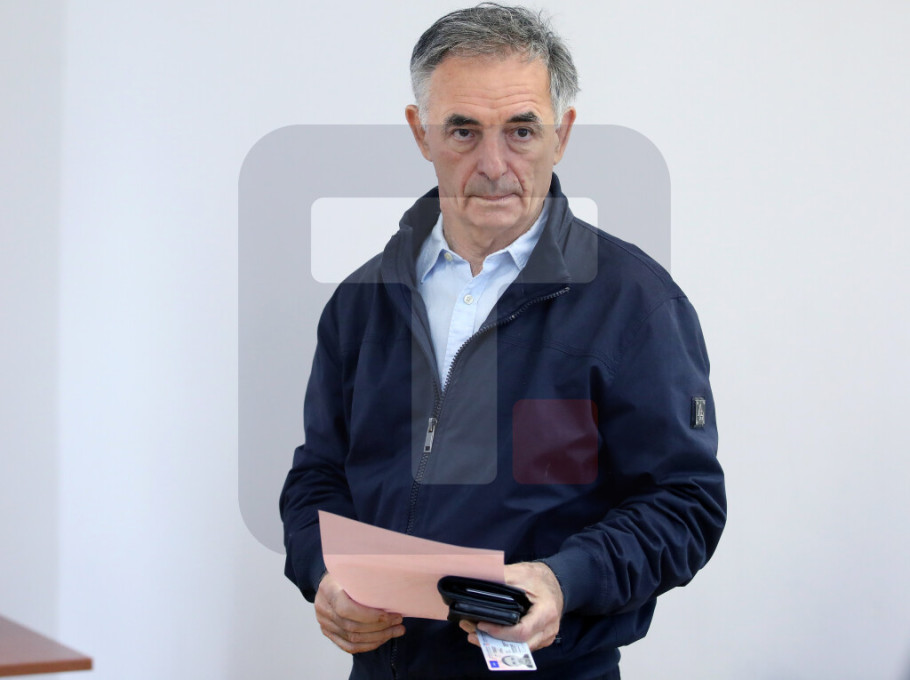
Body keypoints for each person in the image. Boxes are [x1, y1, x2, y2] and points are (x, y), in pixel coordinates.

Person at [279, 4, 726, 678]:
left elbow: (685, 504)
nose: (493, 164)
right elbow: (318, 476)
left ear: (561, 135)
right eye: (463, 130)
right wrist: (323, 572)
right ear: (421, 132)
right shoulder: (361, 302)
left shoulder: (635, 303)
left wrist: (563, 580)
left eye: (521, 130)